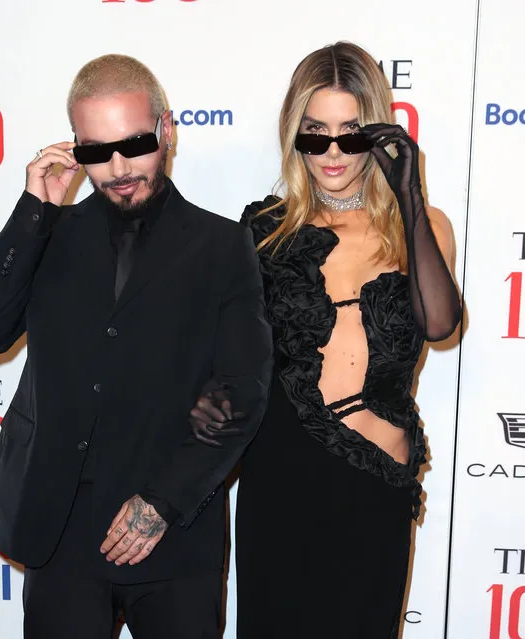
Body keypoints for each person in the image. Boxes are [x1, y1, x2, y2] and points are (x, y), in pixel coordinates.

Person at [0, 54, 272, 639]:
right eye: (97, 151)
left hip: (176, 530)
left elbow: (239, 392)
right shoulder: (49, 232)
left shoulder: (223, 245)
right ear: (76, 150)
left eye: (134, 143)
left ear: (166, 131)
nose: (119, 166)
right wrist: (34, 209)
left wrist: (162, 503)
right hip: (61, 529)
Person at [190, 41, 461, 637]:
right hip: (281, 475)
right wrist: (211, 394)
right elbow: (233, 351)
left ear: (378, 133)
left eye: (350, 133)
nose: (332, 153)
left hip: (375, 483)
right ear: (295, 134)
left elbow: (440, 324)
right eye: (315, 134)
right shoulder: (265, 230)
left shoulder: (423, 225)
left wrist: (409, 196)